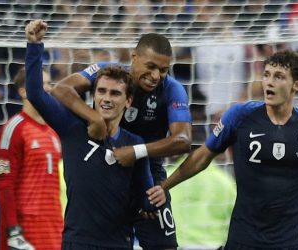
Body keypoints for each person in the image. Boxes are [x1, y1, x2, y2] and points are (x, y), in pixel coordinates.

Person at [149, 50, 298, 249]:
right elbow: (201, 157)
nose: (269, 82)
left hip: (293, 238)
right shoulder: (240, 115)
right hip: (246, 237)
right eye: (266, 74)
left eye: (278, 77)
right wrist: (164, 186)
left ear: (296, 85)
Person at [50, 20, 192, 250]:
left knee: (164, 246)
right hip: (103, 166)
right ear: (133, 56)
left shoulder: (172, 89)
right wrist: (93, 118)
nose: (156, 76)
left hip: (148, 176)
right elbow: (60, 89)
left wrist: (136, 151)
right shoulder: (110, 74)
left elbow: (183, 140)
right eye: (151, 66)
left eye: (163, 70)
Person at [24, 19, 165, 250]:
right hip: (76, 242)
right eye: (101, 91)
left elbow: (145, 197)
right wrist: (34, 45)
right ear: (94, 95)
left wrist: (156, 198)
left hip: (118, 244)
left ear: (128, 101)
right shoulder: (71, 127)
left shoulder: (134, 144)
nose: (107, 98)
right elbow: (36, 93)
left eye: (115, 93)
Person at [0, 67, 63, 250]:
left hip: (53, 227)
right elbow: (4, 184)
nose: (48, 88)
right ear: (23, 91)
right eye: (41, 84)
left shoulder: (54, 131)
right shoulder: (13, 129)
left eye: (49, 83)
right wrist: (12, 230)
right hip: (26, 230)